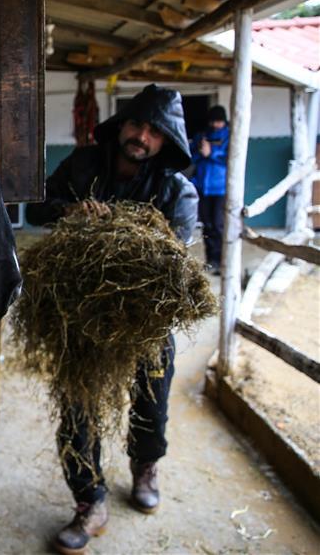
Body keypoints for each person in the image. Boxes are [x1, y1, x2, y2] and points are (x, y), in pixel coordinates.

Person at [26, 84, 198, 555]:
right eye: (136, 124)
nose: (142, 136)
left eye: (154, 131)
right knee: (77, 407)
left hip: (145, 321)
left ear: (166, 141)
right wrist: (71, 210)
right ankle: (90, 500)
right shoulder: (83, 164)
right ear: (121, 125)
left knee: (151, 402)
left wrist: (125, 233)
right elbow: (37, 207)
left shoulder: (176, 189)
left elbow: (175, 258)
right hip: (82, 313)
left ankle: (146, 466)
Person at [190, 105, 230, 273]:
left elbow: (230, 158)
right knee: (207, 225)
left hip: (220, 188)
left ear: (224, 121)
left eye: (219, 121)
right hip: (203, 187)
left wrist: (210, 153)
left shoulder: (230, 136)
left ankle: (223, 260)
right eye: (213, 121)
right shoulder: (202, 135)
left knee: (219, 225)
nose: (215, 125)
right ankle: (211, 260)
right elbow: (191, 157)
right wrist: (200, 151)